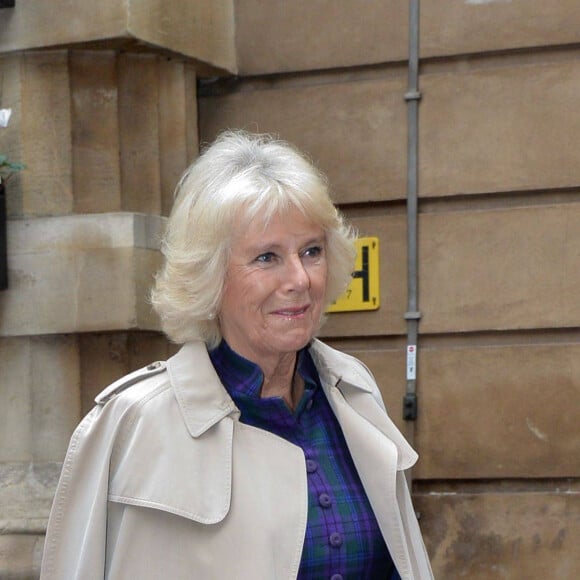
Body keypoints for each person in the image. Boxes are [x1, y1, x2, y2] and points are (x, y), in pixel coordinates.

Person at [40, 131, 434, 579]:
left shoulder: (355, 393)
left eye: (312, 251)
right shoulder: (134, 421)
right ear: (209, 275)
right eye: (267, 257)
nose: (300, 278)